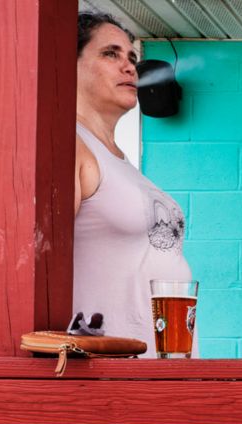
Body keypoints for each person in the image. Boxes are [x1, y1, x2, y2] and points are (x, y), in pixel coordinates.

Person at [73, 10, 195, 357]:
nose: (129, 67)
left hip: (158, 364)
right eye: (110, 54)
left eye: (132, 57)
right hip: (106, 375)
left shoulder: (121, 162)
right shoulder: (69, 146)